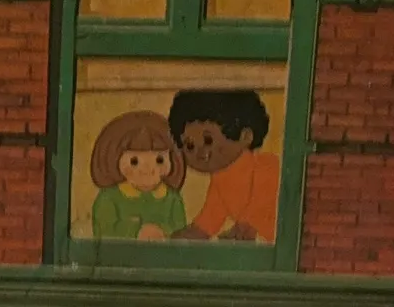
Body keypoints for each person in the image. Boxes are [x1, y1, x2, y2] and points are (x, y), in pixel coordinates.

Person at [167, 89, 280, 242]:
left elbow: (258, 214)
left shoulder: (267, 166)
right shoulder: (220, 179)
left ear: (245, 136)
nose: (200, 153)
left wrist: (243, 229)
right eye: (190, 146)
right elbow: (206, 224)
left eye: (208, 141)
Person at [88, 110, 187, 241]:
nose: (148, 169)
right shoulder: (108, 199)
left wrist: (162, 232)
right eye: (134, 161)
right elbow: (103, 233)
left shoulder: (172, 199)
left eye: (159, 160)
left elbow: (181, 234)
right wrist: (136, 231)